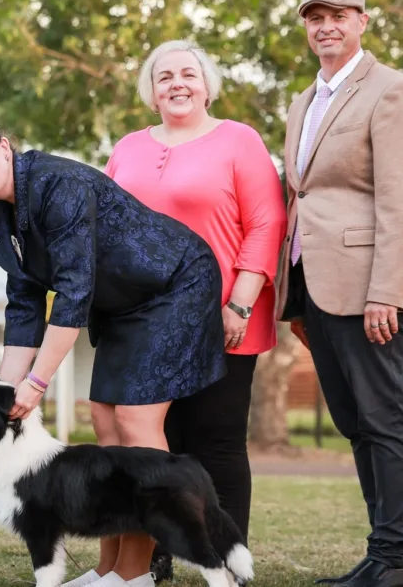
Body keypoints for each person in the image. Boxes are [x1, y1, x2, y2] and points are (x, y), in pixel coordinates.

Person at [0, 115, 227, 587]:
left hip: (175, 285)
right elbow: (24, 306)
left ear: (4, 146)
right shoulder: (5, 217)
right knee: (103, 418)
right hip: (124, 304)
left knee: (135, 420)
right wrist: (7, 391)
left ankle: (135, 574)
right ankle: (109, 568)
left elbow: (72, 293)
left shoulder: (57, 184)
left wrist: (36, 382)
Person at [104, 39, 287, 582]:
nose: (177, 83)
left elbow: (266, 224)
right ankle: (155, 556)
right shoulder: (128, 148)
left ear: (207, 84)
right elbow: (109, 230)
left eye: (188, 73)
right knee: (157, 444)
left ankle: (227, 561)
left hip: (224, 317)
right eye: (164, 76)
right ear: (151, 91)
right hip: (143, 325)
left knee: (216, 444)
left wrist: (240, 302)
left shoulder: (239, 140)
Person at [276, 0, 403, 587]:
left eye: (338, 15)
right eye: (314, 17)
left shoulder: (392, 91)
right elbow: (302, 197)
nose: (325, 27)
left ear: (363, 21)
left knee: (384, 418)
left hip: (372, 288)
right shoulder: (303, 101)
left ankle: (395, 560)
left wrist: (386, 291)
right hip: (317, 290)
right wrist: (293, 298)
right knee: (356, 422)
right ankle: (382, 553)